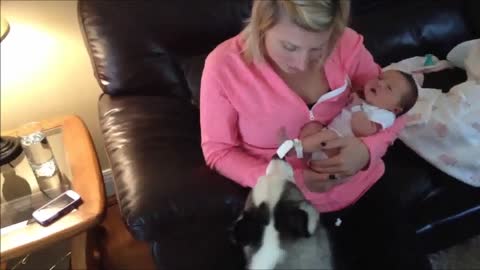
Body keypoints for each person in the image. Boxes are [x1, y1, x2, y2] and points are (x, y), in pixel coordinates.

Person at [200, 0, 430, 269]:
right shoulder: (224, 67)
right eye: (289, 46)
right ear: (262, 25)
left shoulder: (346, 43)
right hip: (289, 207)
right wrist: (289, 179)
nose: (301, 63)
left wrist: (366, 151)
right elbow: (218, 151)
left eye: (318, 48)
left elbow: (393, 110)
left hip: (364, 188)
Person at [299, 69, 419, 191]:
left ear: (395, 109)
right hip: (328, 139)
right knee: (312, 129)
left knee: (326, 141)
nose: (380, 83)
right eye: (380, 78)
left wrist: (356, 106)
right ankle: (302, 158)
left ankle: (298, 152)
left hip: (341, 149)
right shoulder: (365, 101)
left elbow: (363, 130)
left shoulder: (385, 115)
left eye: (389, 88)